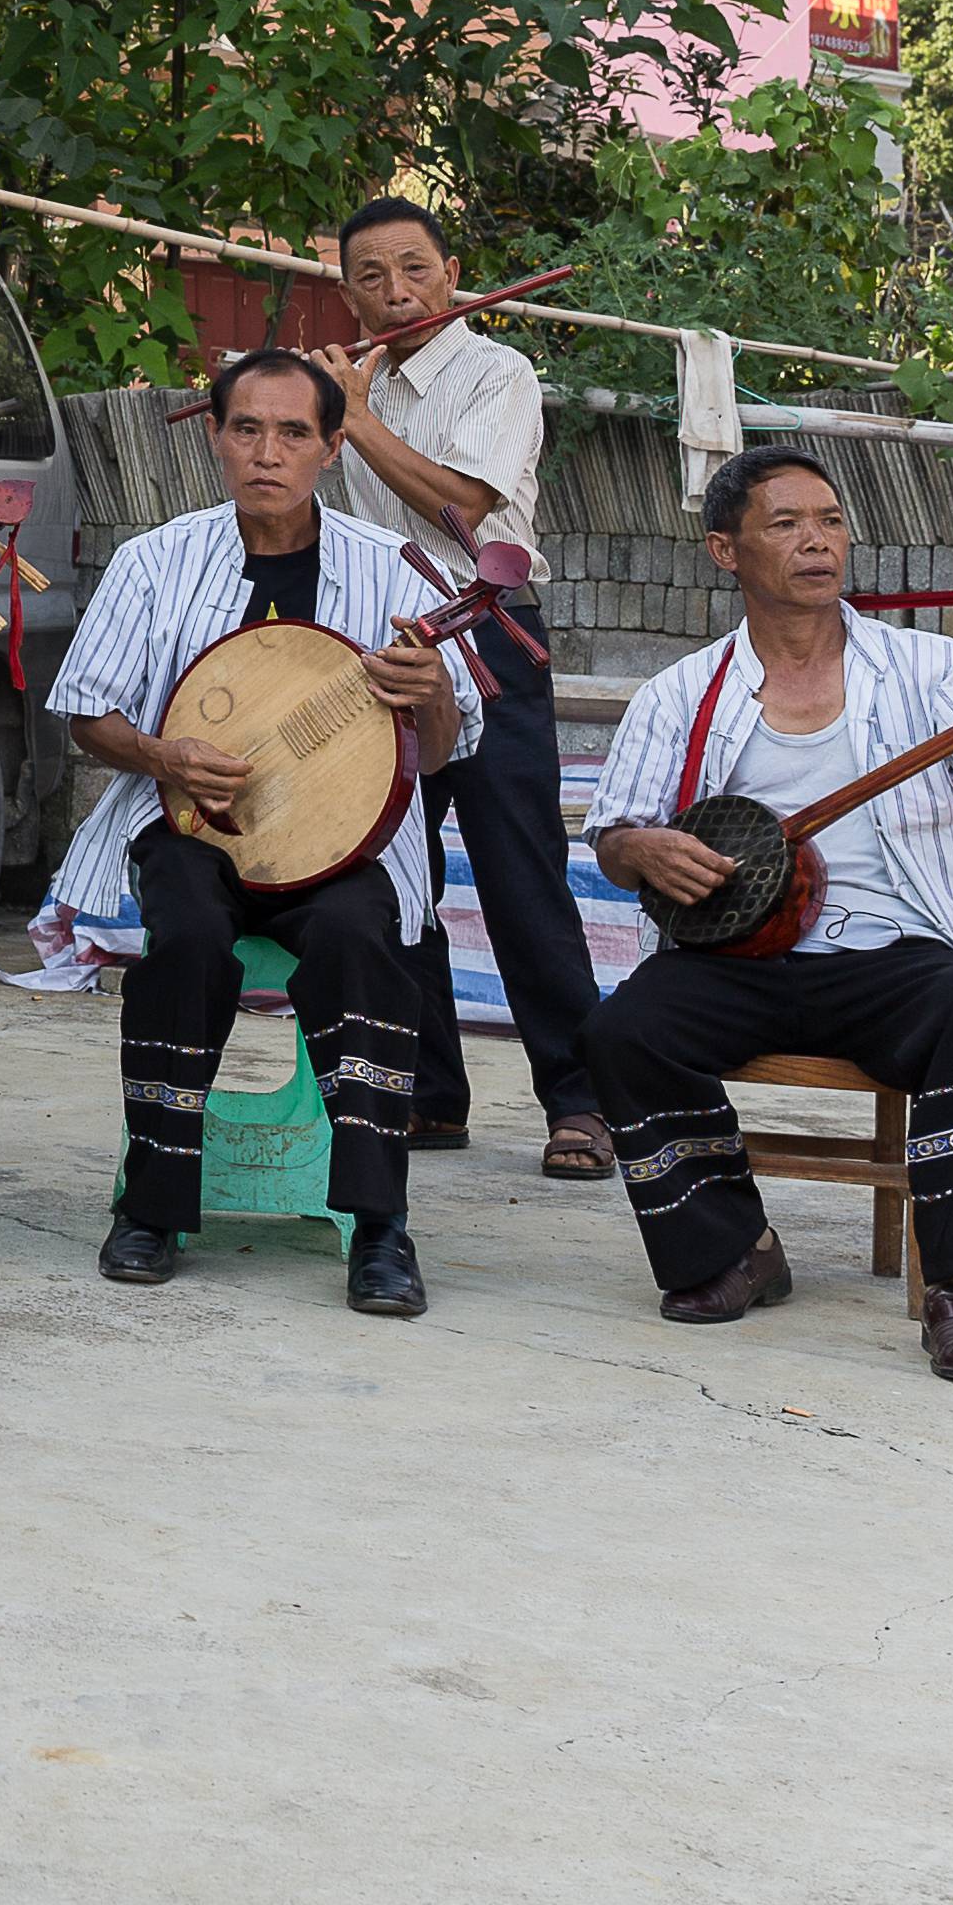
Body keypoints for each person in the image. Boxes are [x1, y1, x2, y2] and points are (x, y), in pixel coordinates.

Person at [580, 446, 953, 1386]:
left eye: (830, 522)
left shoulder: (934, 670)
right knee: (623, 1028)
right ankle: (736, 1249)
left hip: (896, 950)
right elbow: (615, 836)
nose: (817, 542)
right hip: (737, 957)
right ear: (724, 552)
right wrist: (640, 849)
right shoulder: (680, 693)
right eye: (786, 524)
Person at [51, 349, 472, 1317]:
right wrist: (166, 757)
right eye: (246, 429)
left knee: (365, 941)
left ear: (332, 445)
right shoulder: (154, 559)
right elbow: (85, 713)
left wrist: (433, 692)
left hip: (347, 845)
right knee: (190, 937)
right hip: (193, 830)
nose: (267, 453)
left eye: (293, 433)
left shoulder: (398, 569)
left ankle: (379, 1228)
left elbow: (445, 751)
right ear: (216, 436)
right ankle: (151, 1207)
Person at [321, 197, 613, 1181]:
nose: (396, 291)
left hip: (489, 630)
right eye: (371, 276)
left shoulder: (501, 373)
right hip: (385, 644)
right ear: (347, 290)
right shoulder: (350, 384)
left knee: (519, 874)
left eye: (414, 269)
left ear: (451, 274)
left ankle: (581, 1102)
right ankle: (428, 1095)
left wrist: (354, 420)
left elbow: (468, 506)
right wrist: (313, 409)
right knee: (394, 874)